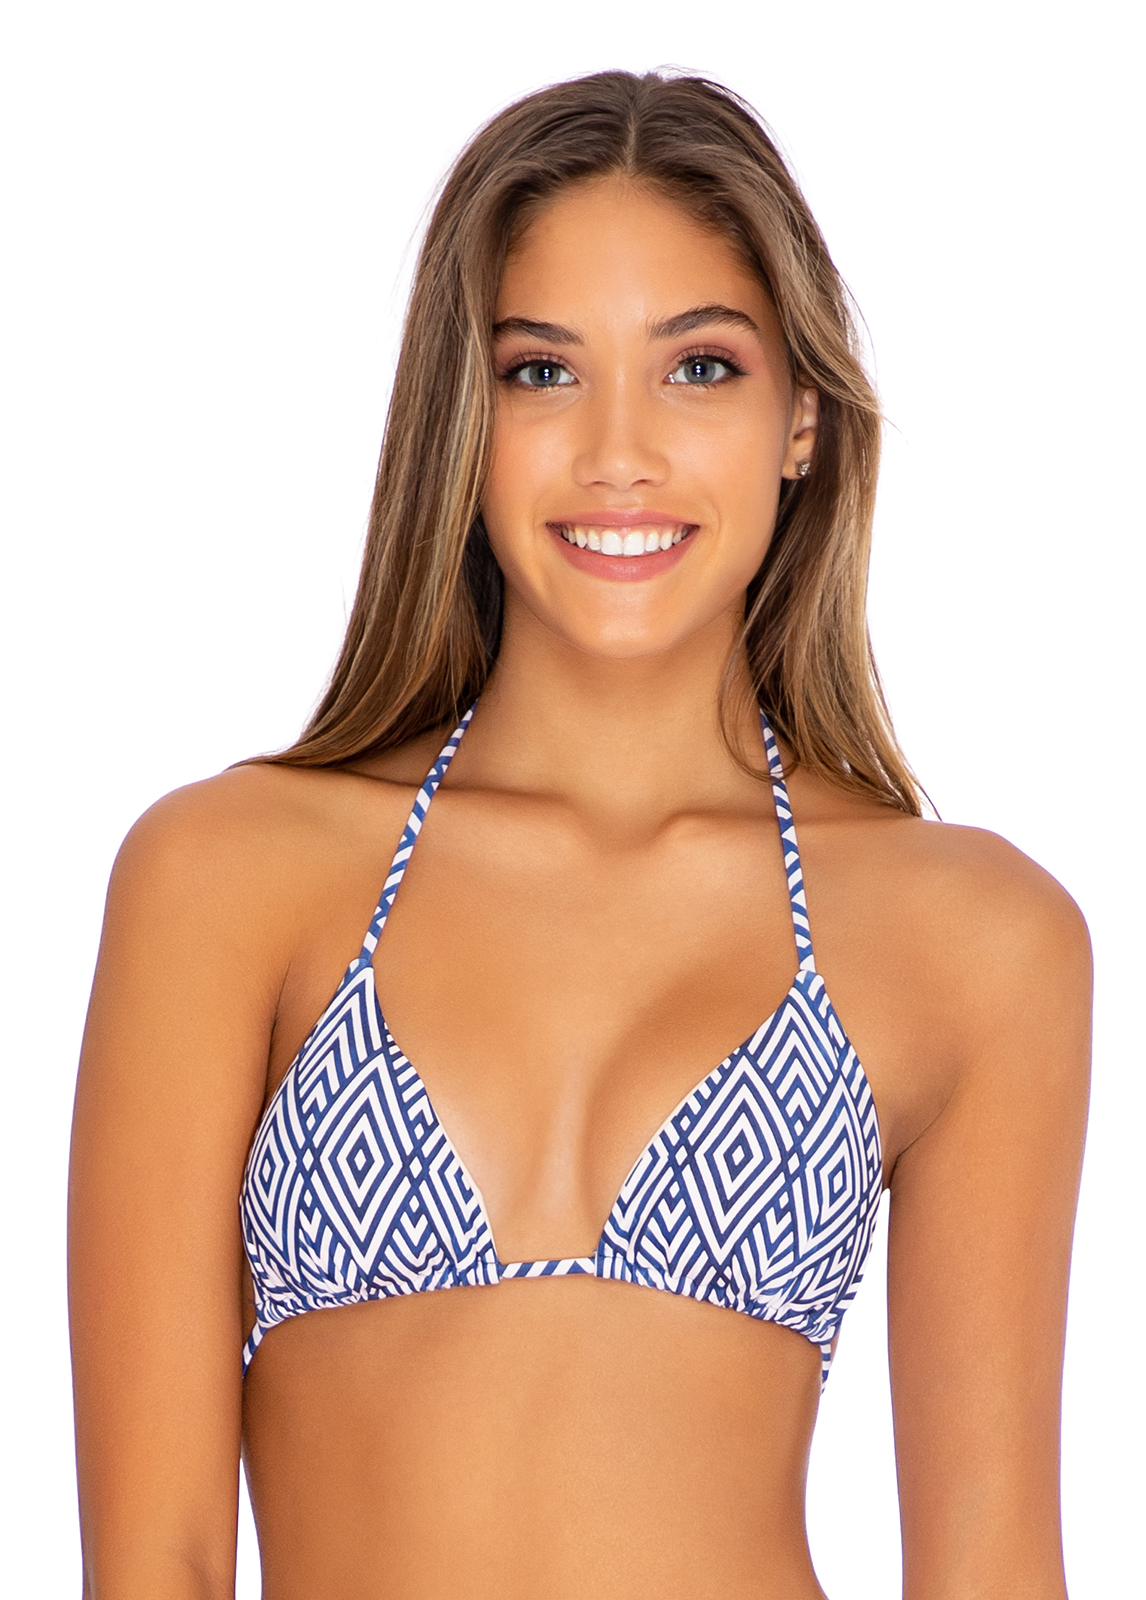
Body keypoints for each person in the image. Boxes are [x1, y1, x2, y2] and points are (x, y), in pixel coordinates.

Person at [68, 70, 1091, 1600]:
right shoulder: (226, 874)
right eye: (542, 371)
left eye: (698, 368)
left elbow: (991, 1564)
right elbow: (156, 1560)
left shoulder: (974, 937)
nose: (619, 451)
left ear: (799, 421)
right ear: (463, 420)